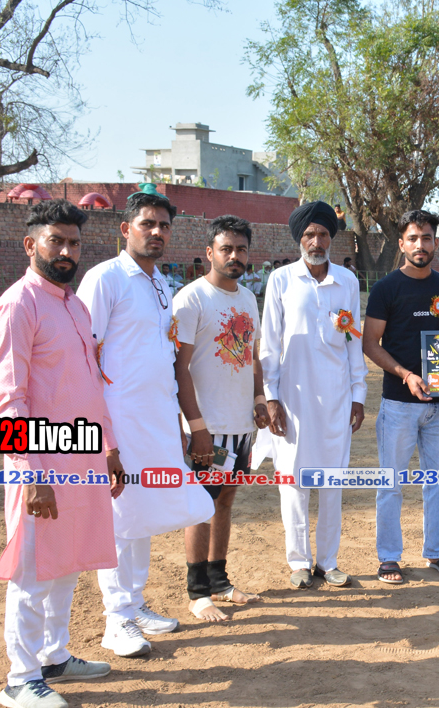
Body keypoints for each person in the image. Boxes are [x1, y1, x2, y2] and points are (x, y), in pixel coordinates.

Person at [0, 200, 126, 708]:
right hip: (41, 463)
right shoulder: (16, 306)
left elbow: (92, 384)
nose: (66, 251)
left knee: (68, 561)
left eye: (74, 243)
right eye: (56, 241)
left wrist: (109, 448)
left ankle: (54, 657)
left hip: (83, 459)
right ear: (31, 244)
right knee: (33, 571)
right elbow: (10, 400)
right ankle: (20, 679)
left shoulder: (75, 306)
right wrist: (31, 475)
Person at [76, 192, 215, 657]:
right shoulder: (105, 278)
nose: (156, 232)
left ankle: (134, 605)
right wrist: (102, 438)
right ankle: (116, 619)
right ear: (126, 229)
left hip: (155, 419)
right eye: (147, 224)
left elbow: (163, 357)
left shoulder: (161, 283)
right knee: (119, 515)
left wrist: (177, 421)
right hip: (117, 419)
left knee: (142, 513)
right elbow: (84, 356)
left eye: (163, 225)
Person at [260, 201, 367, 590]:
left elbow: (353, 343)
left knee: (332, 482)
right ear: (299, 239)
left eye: (322, 234)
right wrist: (271, 397)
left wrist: (358, 393)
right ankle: (298, 562)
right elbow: (269, 344)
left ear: (331, 238)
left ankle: (328, 561)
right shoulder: (281, 280)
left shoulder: (347, 281)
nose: (316, 241)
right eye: (309, 235)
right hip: (292, 398)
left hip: (336, 397)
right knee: (293, 480)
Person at [173, 215, 270, 622]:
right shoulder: (191, 299)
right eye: (226, 248)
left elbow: (252, 357)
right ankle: (198, 593)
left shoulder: (247, 299)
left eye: (241, 249)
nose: (234, 256)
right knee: (201, 504)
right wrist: (195, 426)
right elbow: (179, 368)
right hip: (206, 428)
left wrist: (260, 398)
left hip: (241, 425)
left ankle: (219, 580)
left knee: (225, 501)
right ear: (209, 252)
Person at [362, 210, 439, 584]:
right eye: (413, 238)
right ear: (402, 243)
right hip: (398, 404)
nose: (420, 245)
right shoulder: (386, 288)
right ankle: (389, 557)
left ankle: (437, 551)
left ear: (436, 242)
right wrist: (406, 375)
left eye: (427, 238)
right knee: (390, 483)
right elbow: (370, 343)